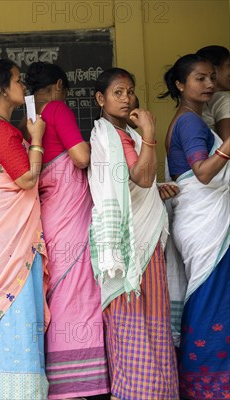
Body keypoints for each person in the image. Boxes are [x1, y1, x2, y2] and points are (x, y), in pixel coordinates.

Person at [88, 67, 179, 400]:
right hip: (129, 250)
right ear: (100, 99)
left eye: (130, 91)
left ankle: (152, 392)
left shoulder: (123, 136)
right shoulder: (115, 136)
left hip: (142, 245)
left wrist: (157, 189)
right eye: (118, 93)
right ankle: (141, 393)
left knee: (149, 325)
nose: (127, 99)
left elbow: (142, 183)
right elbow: (141, 178)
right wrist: (151, 132)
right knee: (136, 328)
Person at [25, 61, 109, 399]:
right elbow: (81, 158)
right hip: (72, 217)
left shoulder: (28, 122)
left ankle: (58, 378)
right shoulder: (58, 109)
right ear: (59, 85)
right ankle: (81, 381)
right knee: (79, 291)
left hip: (50, 215)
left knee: (58, 293)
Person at [0, 59, 49, 398]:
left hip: (3, 238)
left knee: (10, 310)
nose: (24, 87)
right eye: (18, 80)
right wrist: (37, 138)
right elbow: (26, 178)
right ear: (3, 87)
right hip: (6, 244)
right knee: (12, 309)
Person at [160, 54, 230, 400]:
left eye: (212, 78)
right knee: (210, 300)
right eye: (200, 78)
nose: (209, 85)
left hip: (202, 220)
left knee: (209, 299)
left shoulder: (192, 120)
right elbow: (202, 172)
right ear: (180, 85)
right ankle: (207, 387)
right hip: (204, 223)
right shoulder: (189, 123)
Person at [196, 45, 230, 140]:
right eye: (229, 65)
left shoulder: (197, 100)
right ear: (213, 69)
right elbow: (227, 144)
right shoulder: (223, 99)